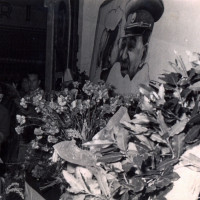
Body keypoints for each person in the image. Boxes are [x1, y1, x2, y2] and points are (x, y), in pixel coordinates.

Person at [91, 0, 164, 95]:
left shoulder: (151, 95)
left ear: (143, 54)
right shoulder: (110, 81)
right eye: (123, 45)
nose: (123, 56)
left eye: (130, 47)